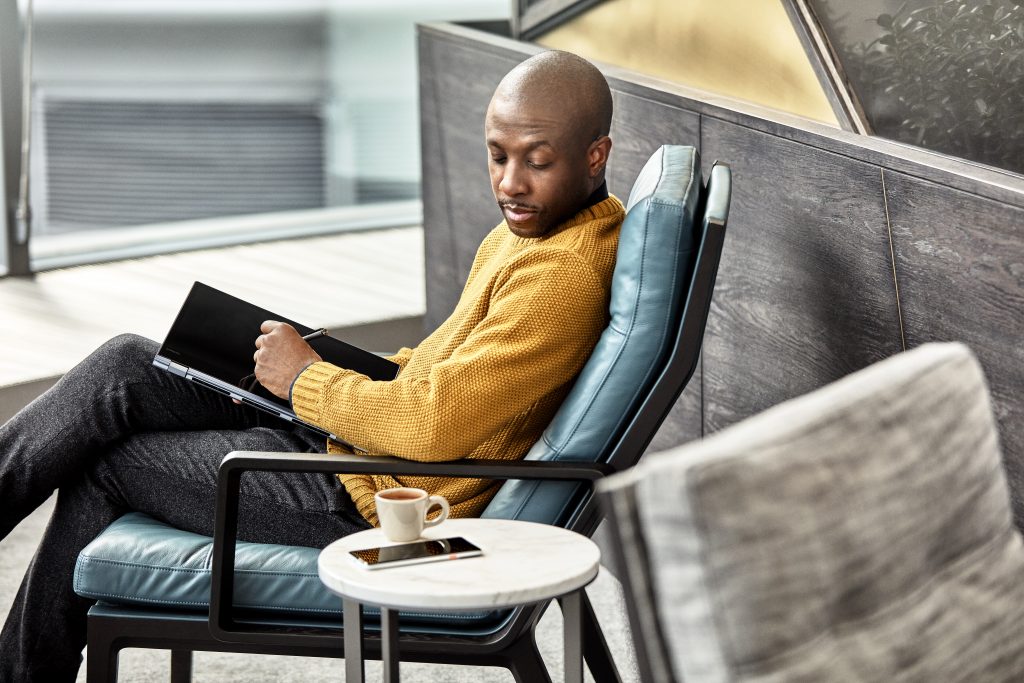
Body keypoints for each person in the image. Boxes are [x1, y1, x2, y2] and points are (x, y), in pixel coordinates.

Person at [0, 50, 624, 681]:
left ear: (594, 156)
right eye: (498, 155)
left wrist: (305, 377)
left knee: (109, 464)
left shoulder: (562, 275)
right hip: (360, 439)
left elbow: (435, 423)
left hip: (374, 494)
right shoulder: (531, 235)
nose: (511, 182)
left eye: (537, 160)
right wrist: (331, 362)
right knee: (128, 363)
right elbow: (441, 371)